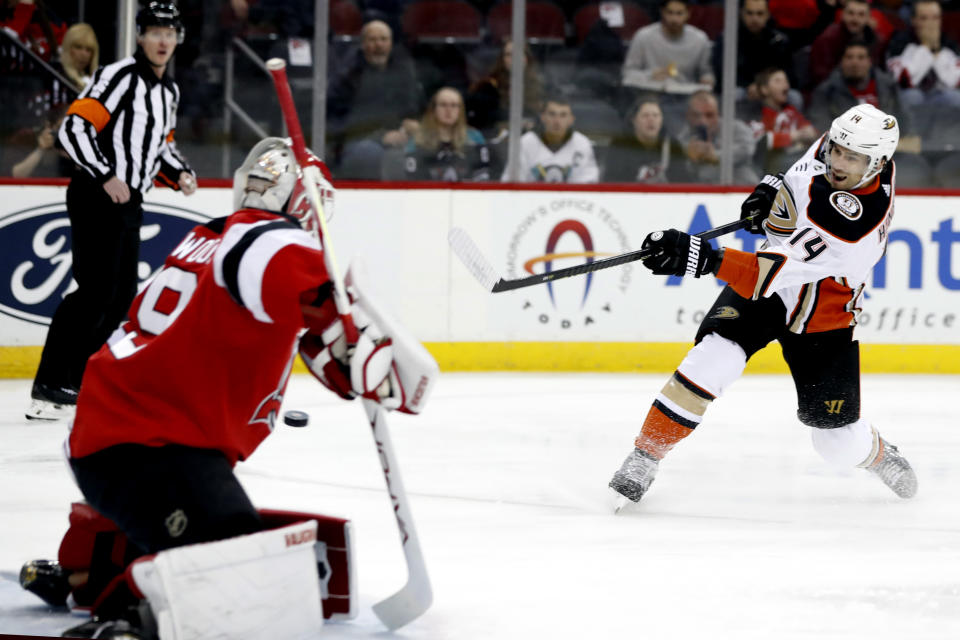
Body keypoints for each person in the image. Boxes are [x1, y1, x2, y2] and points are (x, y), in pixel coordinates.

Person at [19, 137, 439, 638]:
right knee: (242, 575)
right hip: (152, 447)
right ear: (310, 205)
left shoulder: (213, 235)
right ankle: (129, 617)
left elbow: (292, 319)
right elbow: (316, 303)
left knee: (199, 525)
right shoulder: (274, 241)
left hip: (114, 437)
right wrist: (366, 352)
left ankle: (85, 572)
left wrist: (337, 342)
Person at [609, 103, 918, 509]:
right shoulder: (842, 150)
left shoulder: (853, 227)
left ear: (877, 163)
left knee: (835, 441)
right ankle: (645, 455)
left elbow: (762, 273)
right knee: (711, 359)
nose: (838, 162)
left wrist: (698, 256)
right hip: (774, 289)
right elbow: (801, 172)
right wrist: (772, 188)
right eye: (837, 149)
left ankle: (878, 452)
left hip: (821, 312)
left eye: (852, 158)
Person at [26, 2, 197, 421]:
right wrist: (105, 174)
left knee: (119, 296)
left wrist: (182, 173)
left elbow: (160, 147)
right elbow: (74, 127)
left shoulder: (168, 92)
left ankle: (80, 380)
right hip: (95, 193)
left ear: (178, 39)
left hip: (129, 199)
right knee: (95, 290)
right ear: (140, 36)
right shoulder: (118, 76)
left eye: (169, 33)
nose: (162, 40)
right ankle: (51, 383)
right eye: (155, 31)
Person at [326, 19, 422, 180]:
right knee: (370, 154)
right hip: (359, 140)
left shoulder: (403, 70)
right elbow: (340, 120)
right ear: (363, 44)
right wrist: (380, 136)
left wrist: (411, 124)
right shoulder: (349, 75)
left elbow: (413, 106)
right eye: (373, 39)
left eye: (383, 39)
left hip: (400, 136)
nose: (379, 45)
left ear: (391, 43)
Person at [808, 40, 920, 152]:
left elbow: (905, 118)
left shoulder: (888, 86)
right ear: (841, 62)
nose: (855, 62)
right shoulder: (826, 92)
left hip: (890, 150)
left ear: (869, 61)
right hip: (847, 152)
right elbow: (822, 127)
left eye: (861, 57)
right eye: (849, 57)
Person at [621, 0, 714, 132]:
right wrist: (651, 75)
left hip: (684, 98)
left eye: (679, 13)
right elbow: (628, 73)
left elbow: (707, 71)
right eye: (670, 13)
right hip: (648, 94)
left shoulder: (700, 39)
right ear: (662, 12)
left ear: (688, 14)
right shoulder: (644, 36)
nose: (674, 19)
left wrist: (707, 79)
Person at [885, 0, 960, 125]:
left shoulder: (949, 44)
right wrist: (926, 48)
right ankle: (910, 136)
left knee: (955, 98)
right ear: (913, 20)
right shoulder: (899, 42)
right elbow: (904, 80)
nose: (930, 23)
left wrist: (936, 50)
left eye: (935, 18)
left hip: (938, 97)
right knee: (912, 95)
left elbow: (952, 82)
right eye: (924, 18)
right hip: (907, 100)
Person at [502, 96, 599, 183]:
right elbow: (511, 183)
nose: (557, 121)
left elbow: (589, 182)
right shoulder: (525, 142)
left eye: (563, 115)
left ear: (571, 119)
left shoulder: (582, 144)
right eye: (552, 114)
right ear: (543, 117)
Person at [711, 0, 796, 101]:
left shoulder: (778, 40)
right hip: (742, 88)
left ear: (768, 15)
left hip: (770, 88)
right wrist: (748, 86)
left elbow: (788, 74)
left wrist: (764, 86)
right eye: (749, 13)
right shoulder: (728, 38)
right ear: (742, 13)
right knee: (735, 95)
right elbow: (722, 74)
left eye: (760, 13)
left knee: (795, 98)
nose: (754, 18)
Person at [404, 86, 491, 182]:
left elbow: (482, 175)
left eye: (454, 105)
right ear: (434, 109)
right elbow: (412, 177)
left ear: (460, 110)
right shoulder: (418, 139)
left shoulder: (475, 138)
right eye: (443, 105)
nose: (449, 110)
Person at [465, 37, 545, 140]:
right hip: (496, 143)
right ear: (502, 59)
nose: (514, 58)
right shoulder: (487, 87)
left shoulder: (540, 86)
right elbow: (480, 122)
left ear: (527, 58)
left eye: (519, 54)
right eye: (508, 54)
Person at [676, 90, 760, 184]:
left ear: (717, 114)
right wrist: (691, 158)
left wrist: (715, 155)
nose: (703, 121)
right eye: (696, 115)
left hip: (742, 188)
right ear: (688, 115)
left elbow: (746, 150)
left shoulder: (736, 128)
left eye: (709, 115)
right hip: (703, 192)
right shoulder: (683, 137)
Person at [747, 67, 819, 172]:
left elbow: (811, 131)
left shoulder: (791, 111)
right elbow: (761, 141)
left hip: (797, 162)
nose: (785, 85)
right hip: (769, 168)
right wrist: (793, 137)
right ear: (764, 89)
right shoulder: (757, 113)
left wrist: (811, 133)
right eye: (778, 81)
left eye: (786, 81)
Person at [604, 98, 688, 183]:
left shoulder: (673, 146)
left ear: (662, 120)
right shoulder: (620, 145)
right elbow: (612, 181)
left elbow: (683, 182)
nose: (651, 120)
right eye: (645, 115)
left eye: (656, 115)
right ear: (634, 120)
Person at [808, 0, 887, 90]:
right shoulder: (827, 39)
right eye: (850, 13)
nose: (855, 19)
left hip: (869, 89)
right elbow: (820, 77)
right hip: (835, 90)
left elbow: (880, 71)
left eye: (861, 14)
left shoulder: (876, 39)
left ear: (868, 18)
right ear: (842, 15)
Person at [57, 22, 99, 91]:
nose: (83, 54)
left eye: (88, 50)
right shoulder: (56, 76)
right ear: (68, 48)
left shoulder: (96, 82)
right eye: (78, 47)